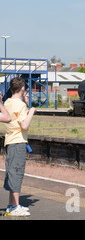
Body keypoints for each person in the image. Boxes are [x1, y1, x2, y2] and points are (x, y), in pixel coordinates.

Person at [3, 77, 36, 217]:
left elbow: (17, 118)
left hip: (10, 140)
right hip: (18, 142)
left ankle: (12, 205)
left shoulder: (8, 102)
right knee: (17, 173)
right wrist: (32, 111)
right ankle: (15, 206)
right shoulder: (21, 106)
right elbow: (24, 125)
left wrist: (26, 105)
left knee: (12, 172)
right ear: (23, 88)